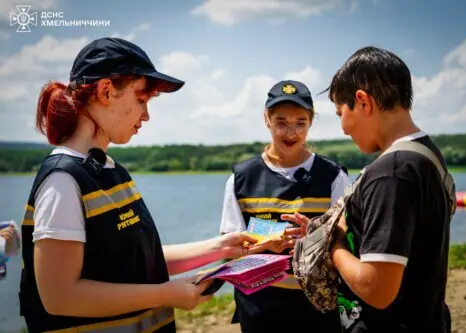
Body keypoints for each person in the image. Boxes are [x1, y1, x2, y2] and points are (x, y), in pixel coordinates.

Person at [18, 37, 296, 333]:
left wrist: (225, 247)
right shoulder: (63, 180)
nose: (147, 115)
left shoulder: (111, 171)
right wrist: (168, 293)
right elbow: (60, 298)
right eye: (141, 99)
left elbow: (138, 260)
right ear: (106, 91)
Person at [288, 46, 455, 332]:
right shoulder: (424, 154)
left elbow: (376, 289)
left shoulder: (390, 173)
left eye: (341, 112)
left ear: (363, 102)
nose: (343, 128)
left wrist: (334, 245)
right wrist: (329, 229)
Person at [219, 80, 350, 332]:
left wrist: (313, 237)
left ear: (311, 122)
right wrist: (264, 243)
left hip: (317, 308)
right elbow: (228, 249)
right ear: (266, 119)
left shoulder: (333, 176)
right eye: (281, 123)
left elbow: (349, 243)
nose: (291, 133)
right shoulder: (241, 179)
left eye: (300, 123)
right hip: (258, 307)